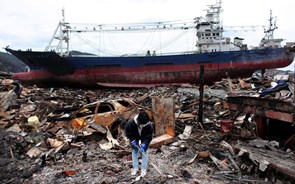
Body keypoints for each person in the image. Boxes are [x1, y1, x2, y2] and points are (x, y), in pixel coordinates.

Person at [125, 110, 153, 177]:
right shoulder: (130, 123)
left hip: (143, 137)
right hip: (135, 137)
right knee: (134, 151)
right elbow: (127, 132)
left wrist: (144, 144)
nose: (144, 125)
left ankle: (143, 169)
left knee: (145, 152)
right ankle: (135, 168)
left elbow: (148, 136)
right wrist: (132, 140)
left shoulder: (148, 125)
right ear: (138, 122)